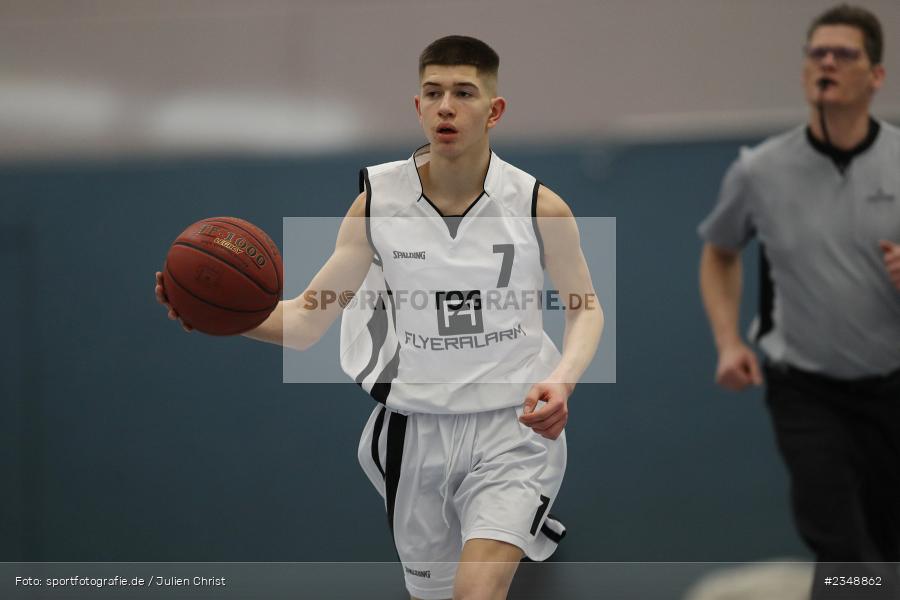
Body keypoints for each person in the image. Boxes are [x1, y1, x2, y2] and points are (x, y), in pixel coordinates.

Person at [157, 35, 603, 600]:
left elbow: (586, 310)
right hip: (414, 433)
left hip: (513, 431)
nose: (446, 106)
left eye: (464, 93)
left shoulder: (540, 205)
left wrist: (562, 380)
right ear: (417, 107)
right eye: (433, 92)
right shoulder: (377, 202)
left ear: (494, 110)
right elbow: (303, 324)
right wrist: (212, 315)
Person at [698, 5, 900, 598]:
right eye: (817, 53)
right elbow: (719, 252)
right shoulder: (760, 171)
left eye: (844, 54)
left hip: (892, 386)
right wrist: (728, 340)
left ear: (876, 76)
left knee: (887, 548)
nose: (827, 63)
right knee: (838, 542)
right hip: (805, 386)